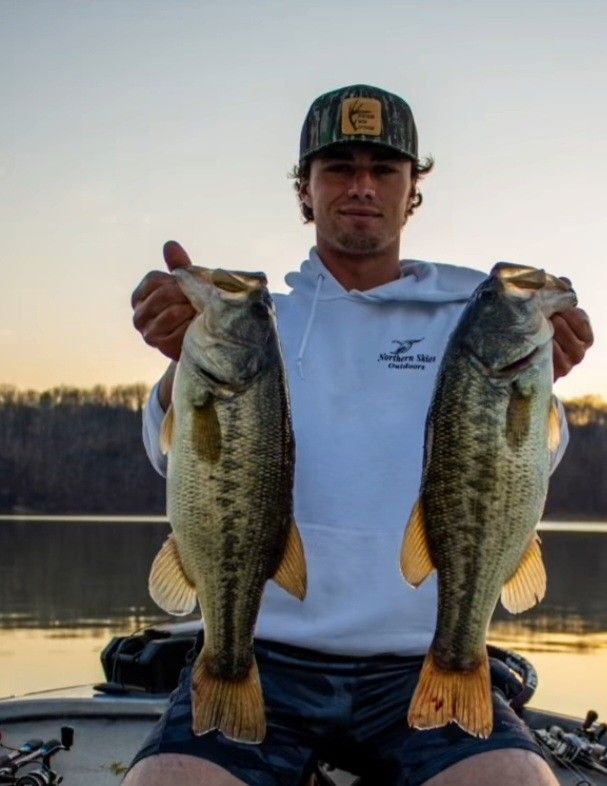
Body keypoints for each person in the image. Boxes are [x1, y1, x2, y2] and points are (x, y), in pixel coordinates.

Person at [126, 85, 593, 786]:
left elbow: (525, 464)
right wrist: (176, 366)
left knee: (516, 780)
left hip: (421, 660)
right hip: (263, 653)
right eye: (338, 167)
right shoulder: (259, 321)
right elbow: (179, 462)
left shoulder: (471, 319)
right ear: (305, 192)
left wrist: (541, 384)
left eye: (384, 169)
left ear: (412, 192)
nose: (362, 187)